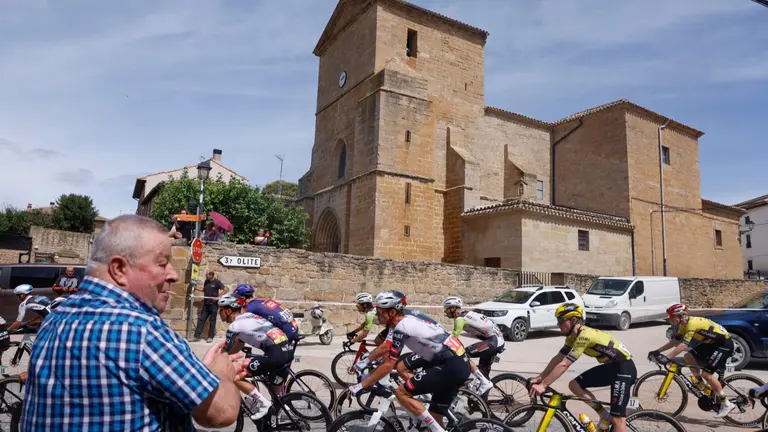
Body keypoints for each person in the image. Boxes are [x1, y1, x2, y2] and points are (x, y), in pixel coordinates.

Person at [20, 214, 248, 431]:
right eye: (162, 263)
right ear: (119, 269)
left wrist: (200, 373)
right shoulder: (141, 330)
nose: (174, 275)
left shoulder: (55, 318)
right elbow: (221, 412)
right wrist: (222, 374)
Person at [350, 291, 470, 432]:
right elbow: (387, 349)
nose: (377, 314)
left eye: (380, 312)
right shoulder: (408, 315)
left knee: (401, 393)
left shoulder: (402, 327)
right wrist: (368, 370)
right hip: (456, 360)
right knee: (434, 416)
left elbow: (389, 364)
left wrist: (361, 385)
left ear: (392, 312)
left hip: (450, 365)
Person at [530, 303, 636, 432]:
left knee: (618, 418)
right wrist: (541, 377)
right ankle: (604, 415)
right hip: (612, 368)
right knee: (575, 385)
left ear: (574, 320)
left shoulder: (585, 336)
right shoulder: (572, 337)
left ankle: (613, 419)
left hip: (624, 369)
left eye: (561, 320)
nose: (558, 324)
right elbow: (558, 358)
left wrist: (543, 385)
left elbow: (564, 364)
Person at [650, 303, 735, 417]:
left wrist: (668, 357)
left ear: (680, 316)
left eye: (671, 317)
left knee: (707, 375)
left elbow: (683, 345)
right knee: (688, 357)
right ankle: (700, 384)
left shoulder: (692, 324)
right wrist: (657, 351)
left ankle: (726, 404)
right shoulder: (683, 325)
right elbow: (675, 341)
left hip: (724, 345)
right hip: (712, 344)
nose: (670, 319)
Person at [218, 294, 295, 420]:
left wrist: (216, 360)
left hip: (275, 354)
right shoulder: (250, 316)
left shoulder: (234, 327)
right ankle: (280, 411)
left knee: (234, 374)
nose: (218, 313)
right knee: (273, 387)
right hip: (287, 350)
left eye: (220, 310)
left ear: (227, 311)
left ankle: (264, 404)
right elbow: (238, 346)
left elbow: (225, 351)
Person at [442, 296, 500, 395]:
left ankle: (484, 382)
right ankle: (480, 397)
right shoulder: (466, 315)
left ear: (453, 308)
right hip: (495, 340)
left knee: (463, 355)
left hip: (493, 342)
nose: (445, 311)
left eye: (446, 308)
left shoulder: (460, 319)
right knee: (482, 371)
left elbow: (453, 338)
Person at [233, 284, 300, 343]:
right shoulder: (261, 299)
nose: (237, 301)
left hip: (286, 332)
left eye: (237, 298)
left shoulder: (250, 307)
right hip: (293, 327)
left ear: (243, 298)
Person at [193, 271, 227, 342]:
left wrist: (218, 297)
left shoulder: (217, 282)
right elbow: (204, 289)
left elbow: (226, 290)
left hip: (213, 305)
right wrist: (196, 289)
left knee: (212, 321)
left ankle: (210, 337)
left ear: (211, 275)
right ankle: (196, 336)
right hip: (206, 304)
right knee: (201, 320)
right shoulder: (206, 281)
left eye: (207, 275)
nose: (206, 277)